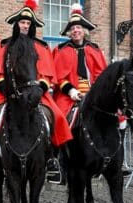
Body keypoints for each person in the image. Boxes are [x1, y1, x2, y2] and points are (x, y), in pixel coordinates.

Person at [0, 0, 73, 173]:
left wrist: (39, 90)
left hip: (36, 92)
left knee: (58, 117)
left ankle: (52, 158)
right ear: (17, 24)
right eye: (22, 22)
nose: (25, 26)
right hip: (7, 92)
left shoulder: (41, 47)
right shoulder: (4, 45)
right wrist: (9, 90)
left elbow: (47, 75)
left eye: (28, 23)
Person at [50, 3, 107, 183]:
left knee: (116, 117)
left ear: (84, 31)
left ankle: (115, 160)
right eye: (73, 28)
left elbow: (101, 76)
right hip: (68, 96)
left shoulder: (95, 49)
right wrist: (72, 91)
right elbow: (59, 77)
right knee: (58, 118)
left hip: (93, 95)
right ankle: (56, 161)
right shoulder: (61, 50)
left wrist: (94, 93)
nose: (76, 31)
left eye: (79, 28)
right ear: (69, 32)